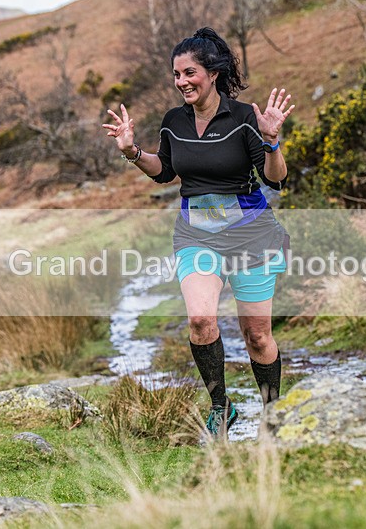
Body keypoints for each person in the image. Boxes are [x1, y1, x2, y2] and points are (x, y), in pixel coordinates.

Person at [103, 27, 294, 439]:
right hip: (196, 236)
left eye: (189, 73)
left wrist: (271, 141)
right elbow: (165, 171)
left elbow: (275, 179)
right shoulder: (174, 121)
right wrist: (132, 151)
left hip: (251, 237)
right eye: (176, 74)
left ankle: (272, 414)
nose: (182, 82)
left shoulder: (244, 118)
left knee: (257, 336)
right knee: (201, 321)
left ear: (212, 73)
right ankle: (221, 408)